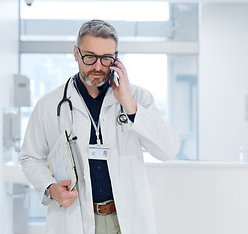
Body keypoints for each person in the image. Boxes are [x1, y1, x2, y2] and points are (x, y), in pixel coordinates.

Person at [19, 19, 180, 234]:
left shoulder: (137, 98)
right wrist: (49, 188)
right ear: (76, 53)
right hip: (74, 218)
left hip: (125, 219)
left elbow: (168, 150)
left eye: (106, 59)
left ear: (116, 59)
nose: (97, 66)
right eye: (90, 57)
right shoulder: (50, 104)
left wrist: (129, 105)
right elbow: (30, 157)